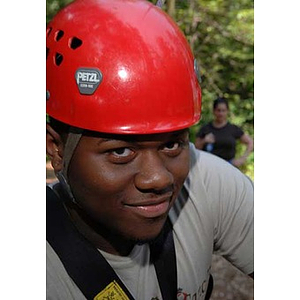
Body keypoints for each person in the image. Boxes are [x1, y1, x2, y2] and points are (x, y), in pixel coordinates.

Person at [46, 1, 254, 299]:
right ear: (56, 148)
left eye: (171, 144)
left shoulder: (205, 182)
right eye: (120, 152)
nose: (158, 179)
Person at [195, 97, 254, 167]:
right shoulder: (206, 128)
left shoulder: (233, 129)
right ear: (214, 111)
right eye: (218, 110)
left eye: (223, 110)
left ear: (227, 111)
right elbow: (195, 148)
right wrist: (204, 141)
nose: (221, 113)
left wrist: (242, 159)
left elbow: (250, 142)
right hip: (210, 167)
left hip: (229, 166)